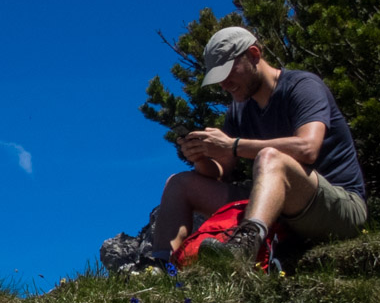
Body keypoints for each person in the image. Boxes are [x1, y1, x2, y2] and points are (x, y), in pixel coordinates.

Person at [147, 27, 367, 266]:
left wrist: (233, 145)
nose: (224, 84)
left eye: (228, 71)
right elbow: (220, 173)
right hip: (279, 210)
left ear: (253, 54)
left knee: (271, 158)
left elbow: (308, 148)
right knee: (179, 183)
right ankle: (160, 267)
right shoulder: (240, 110)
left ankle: (242, 249)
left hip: (341, 209)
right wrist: (200, 157)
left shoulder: (302, 86)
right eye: (218, 78)